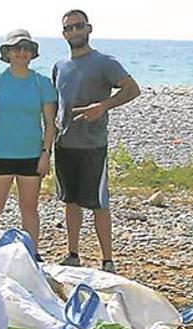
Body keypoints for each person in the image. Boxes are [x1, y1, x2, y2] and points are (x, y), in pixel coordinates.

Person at [53, 9, 140, 273]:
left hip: (93, 145)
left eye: (79, 26)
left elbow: (132, 89)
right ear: (64, 34)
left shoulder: (104, 62)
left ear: (88, 29)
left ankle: (108, 261)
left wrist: (103, 106)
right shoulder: (59, 66)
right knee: (71, 201)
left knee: (99, 203)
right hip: (64, 144)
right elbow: (55, 103)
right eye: (69, 28)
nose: (75, 32)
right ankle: (73, 254)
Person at [0, 29, 57, 258]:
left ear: (32, 54)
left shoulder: (42, 82)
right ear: (8, 52)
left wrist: (45, 154)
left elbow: (50, 123)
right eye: (17, 48)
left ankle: (32, 255)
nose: (22, 53)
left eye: (26, 49)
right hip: (0, 153)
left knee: (29, 209)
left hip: (31, 155)